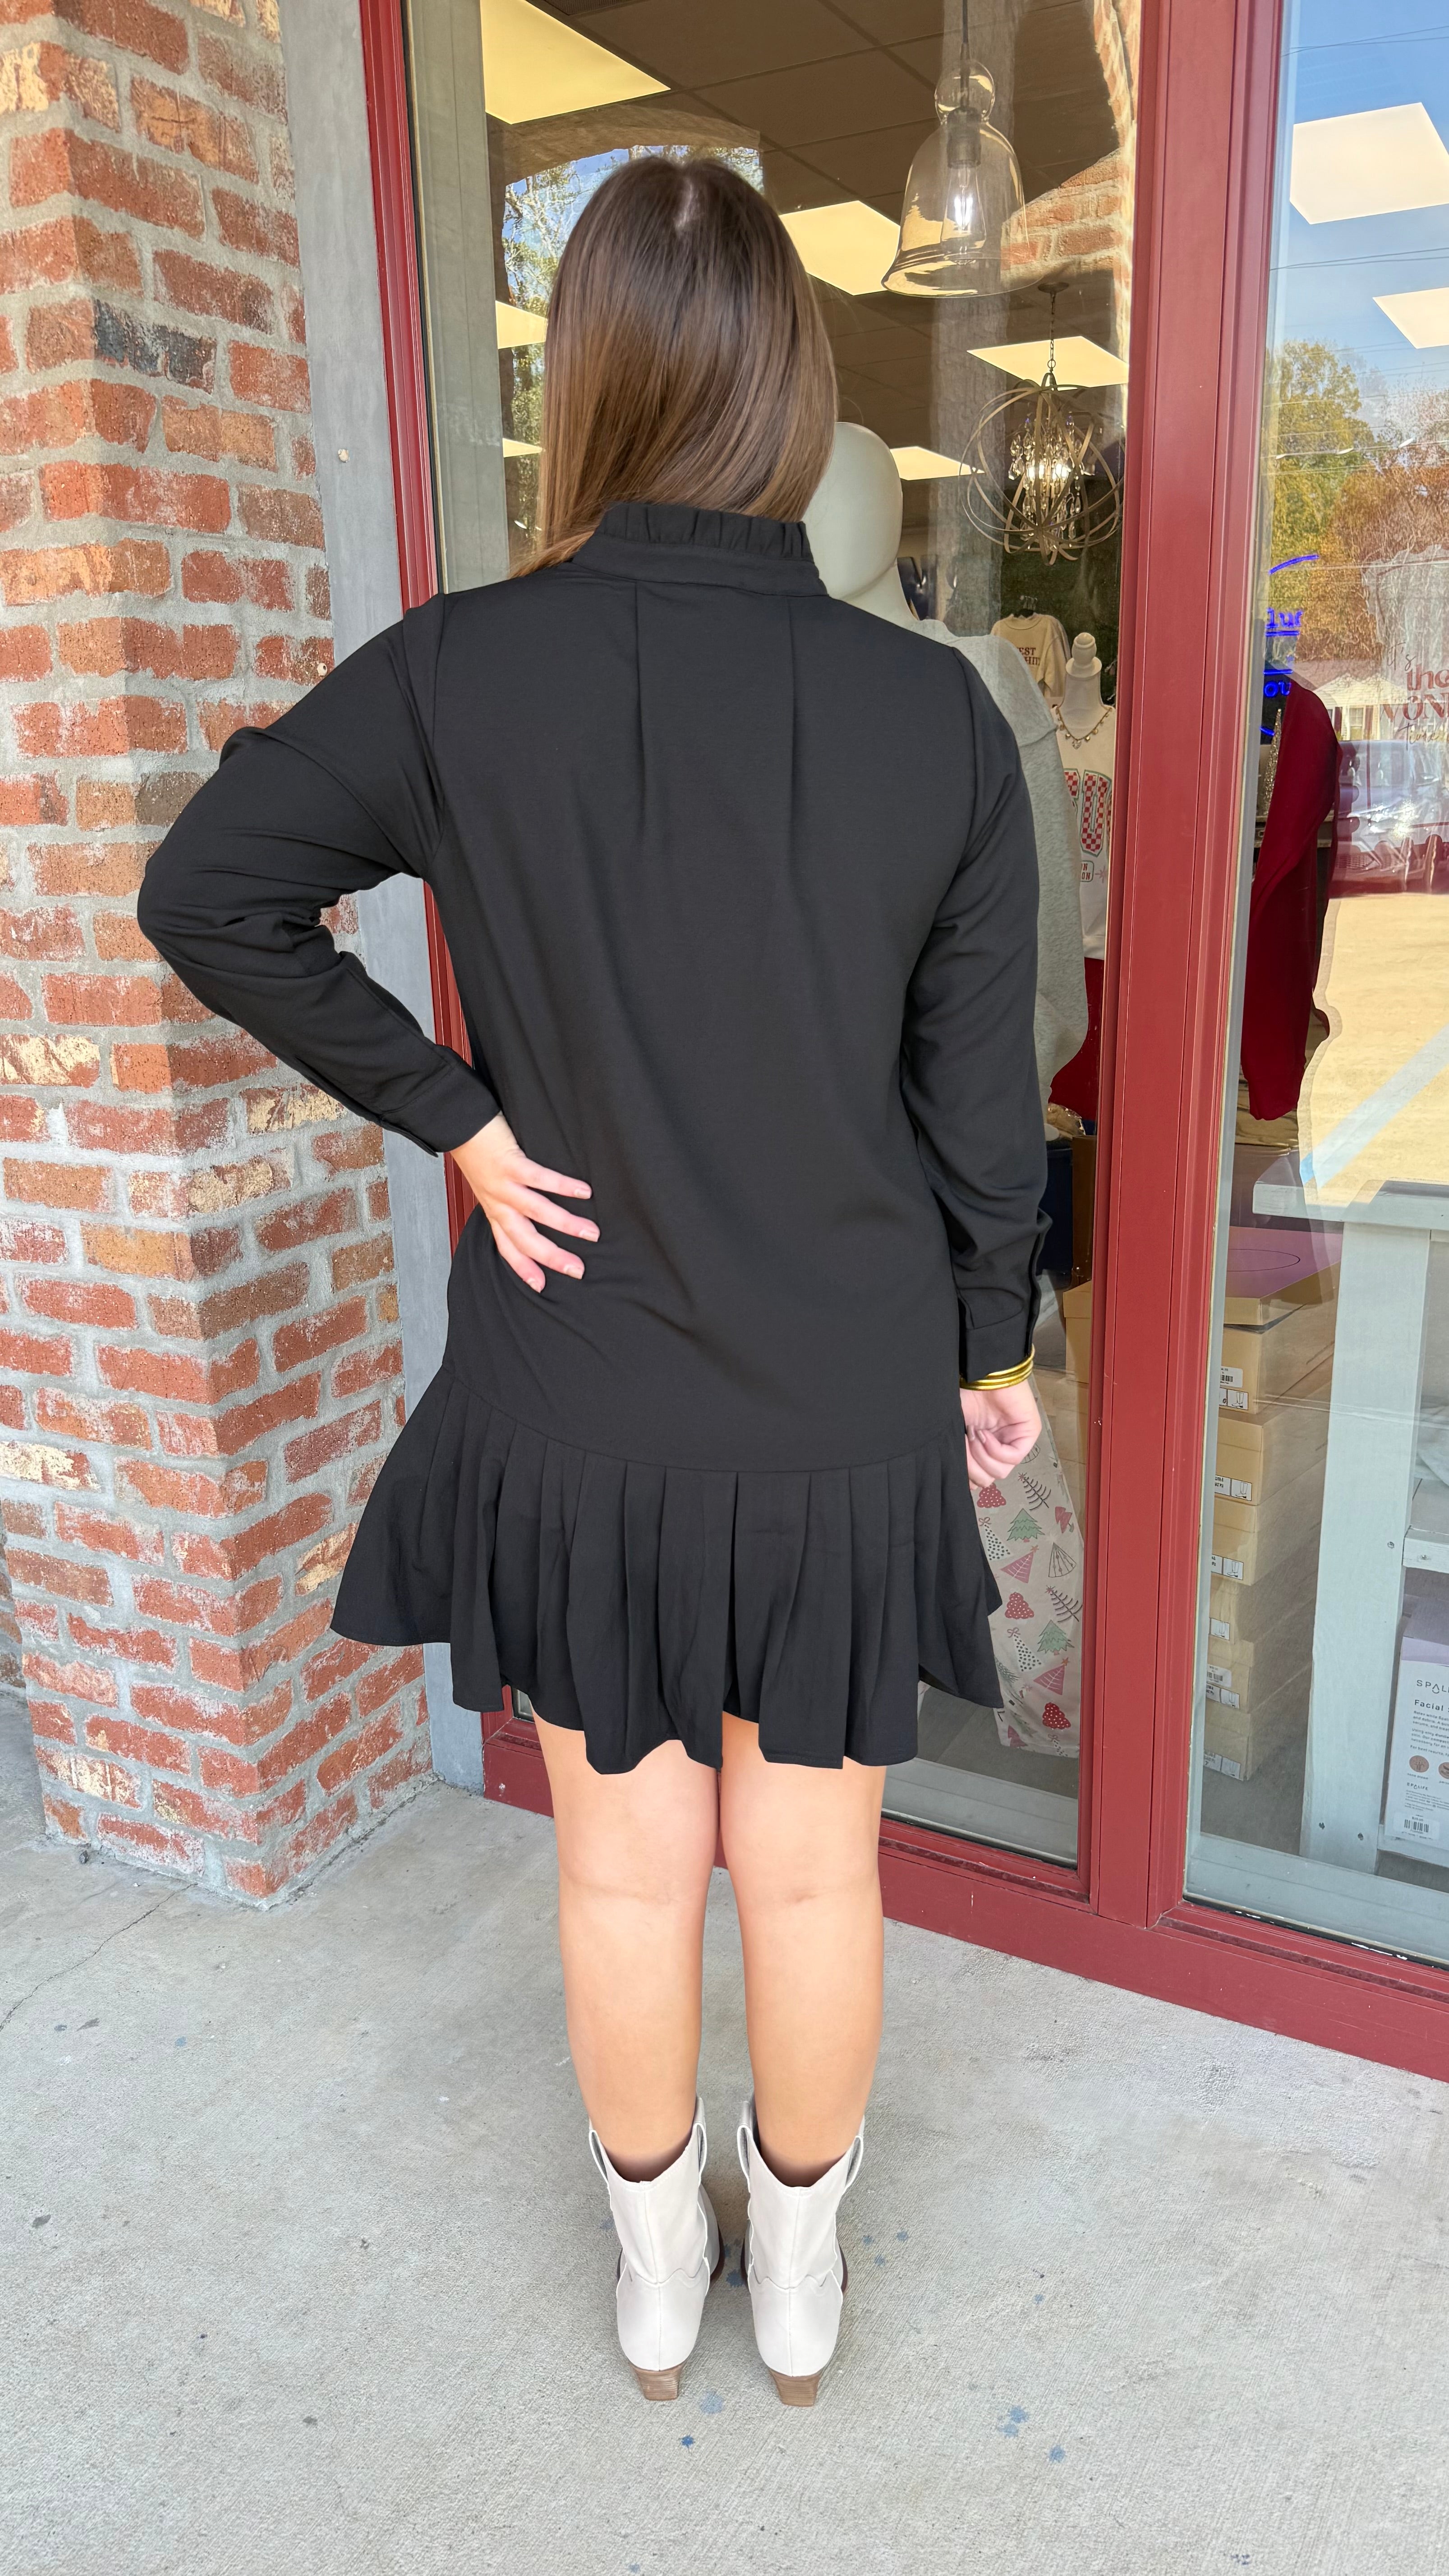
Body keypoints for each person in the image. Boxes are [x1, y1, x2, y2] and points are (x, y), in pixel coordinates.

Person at [138, 157, 1045, 2410]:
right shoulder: (935, 715)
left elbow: (209, 889)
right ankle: (796, 2282)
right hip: (839, 1404)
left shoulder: (463, 670)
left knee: (628, 1878)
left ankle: (658, 2279)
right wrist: (991, 1348)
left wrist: (453, 1115)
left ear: (599, 385)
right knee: (812, 1881)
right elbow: (978, 1107)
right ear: (796, 392)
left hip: (580, 1399)